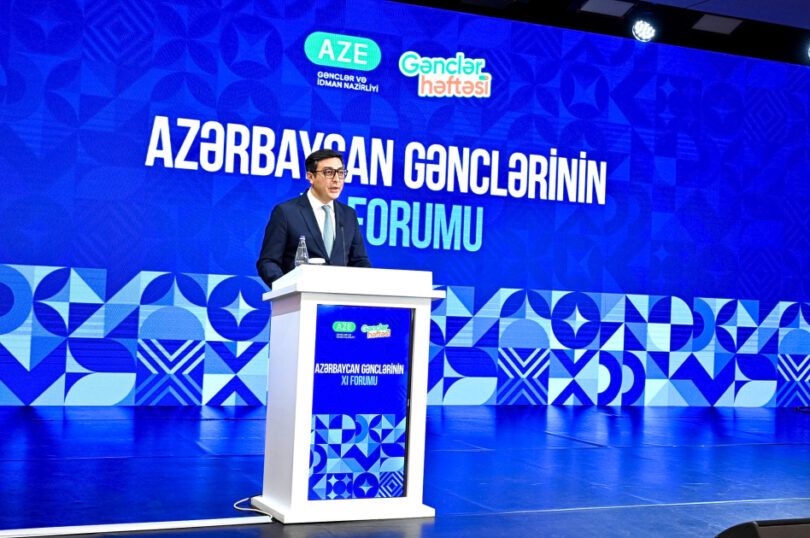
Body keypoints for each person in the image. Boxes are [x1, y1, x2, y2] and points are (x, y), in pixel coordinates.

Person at [256, 148, 371, 287]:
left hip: (340, 297)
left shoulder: (348, 214)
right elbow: (268, 262)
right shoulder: (286, 212)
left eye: (341, 173)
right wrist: (288, 289)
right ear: (310, 177)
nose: (336, 179)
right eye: (328, 173)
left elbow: (360, 261)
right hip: (300, 297)